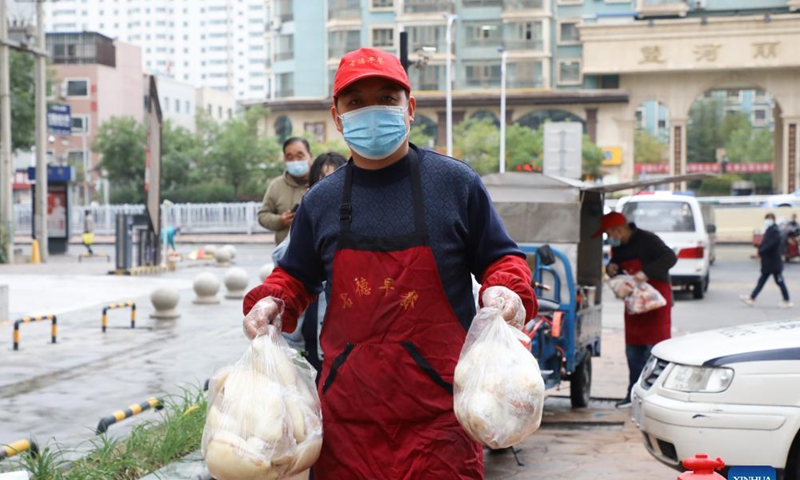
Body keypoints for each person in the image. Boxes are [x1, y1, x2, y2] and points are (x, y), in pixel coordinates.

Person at [242, 47, 537, 480]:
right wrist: (272, 301)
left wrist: (506, 289)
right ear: (338, 117)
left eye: (386, 97)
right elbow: (295, 275)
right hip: (346, 426)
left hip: (440, 423)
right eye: (356, 102)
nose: (372, 111)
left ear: (410, 107)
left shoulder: (455, 185)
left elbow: (501, 258)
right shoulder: (321, 201)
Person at [272, 151, 347, 375]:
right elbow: (283, 258)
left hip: (343, 334)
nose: (329, 188)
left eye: (335, 179)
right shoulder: (308, 217)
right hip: (306, 329)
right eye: (322, 180)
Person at [596, 211, 677, 408]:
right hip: (634, 305)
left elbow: (670, 257)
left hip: (656, 303)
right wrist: (611, 268)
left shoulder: (648, 240)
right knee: (633, 352)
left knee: (656, 351)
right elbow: (617, 265)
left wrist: (646, 273)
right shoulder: (621, 247)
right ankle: (632, 394)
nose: (610, 239)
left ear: (620, 230)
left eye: (610, 234)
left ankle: (655, 396)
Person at [258, 137, 312, 244]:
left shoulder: (322, 181)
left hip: (319, 254)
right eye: (289, 157)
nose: (295, 161)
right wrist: (280, 221)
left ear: (310, 155)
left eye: (300, 155)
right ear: (284, 159)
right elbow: (263, 215)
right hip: (286, 254)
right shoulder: (276, 185)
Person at [740, 213, 792, 308]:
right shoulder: (770, 230)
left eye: (769, 219)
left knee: (779, 281)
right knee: (763, 280)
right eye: (767, 219)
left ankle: (787, 300)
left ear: (773, 220)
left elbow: (769, 245)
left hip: (773, 262)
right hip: (770, 262)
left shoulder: (774, 231)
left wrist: (761, 251)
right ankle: (752, 297)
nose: (767, 221)